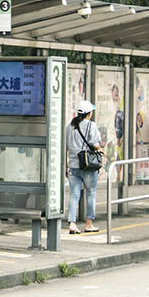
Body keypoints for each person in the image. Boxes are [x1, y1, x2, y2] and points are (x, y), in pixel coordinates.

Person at [65, 100, 103, 235]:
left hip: (73, 165)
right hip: (88, 165)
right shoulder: (91, 125)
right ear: (89, 114)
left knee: (74, 195)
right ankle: (89, 223)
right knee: (91, 193)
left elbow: (66, 146)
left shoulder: (70, 126)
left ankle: (72, 223)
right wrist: (99, 148)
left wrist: (66, 166)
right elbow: (95, 143)